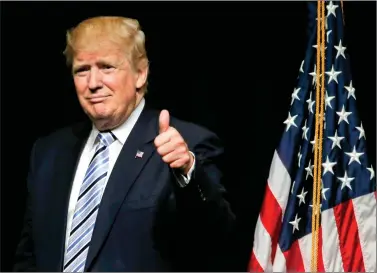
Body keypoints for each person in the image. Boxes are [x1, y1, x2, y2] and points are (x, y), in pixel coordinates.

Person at [13, 16, 235, 272]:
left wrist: (187, 172)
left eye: (107, 67)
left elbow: (218, 237)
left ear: (140, 73)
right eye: (82, 70)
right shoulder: (48, 152)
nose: (93, 83)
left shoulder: (186, 143)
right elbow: (29, 256)